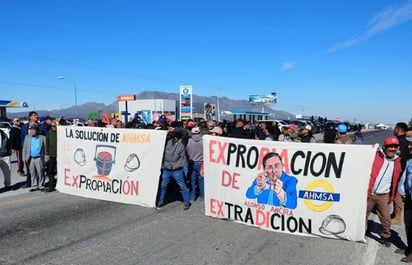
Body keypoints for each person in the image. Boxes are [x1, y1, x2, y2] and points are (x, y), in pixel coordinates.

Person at [366, 136, 403, 247]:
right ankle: (361, 232)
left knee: (386, 219)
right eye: (389, 147)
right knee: (363, 215)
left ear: (398, 148)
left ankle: (384, 236)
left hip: (384, 195)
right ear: (384, 147)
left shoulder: (399, 161)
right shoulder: (375, 156)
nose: (392, 149)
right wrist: (370, 148)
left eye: (395, 147)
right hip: (370, 193)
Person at [157, 127, 191, 210]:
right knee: (163, 186)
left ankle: (186, 202)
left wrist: (174, 129)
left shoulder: (182, 142)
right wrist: (167, 131)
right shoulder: (168, 142)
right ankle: (161, 201)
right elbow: (159, 136)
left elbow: (185, 132)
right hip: (167, 168)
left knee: (182, 186)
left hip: (177, 169)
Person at [396, 135, 412, 262]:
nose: (409, 146)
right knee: (408, 223)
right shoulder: (410, 160)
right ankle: (409, 248)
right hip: (408, 196)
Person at [392, 122, 411, 224]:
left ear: (398, 129)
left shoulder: (399, 142)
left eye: (395, 128)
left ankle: (397, 216)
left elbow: (402, 159)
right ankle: (395, 213)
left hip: (400, 172)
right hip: (404, 172)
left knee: (397, 194)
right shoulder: (406, 142)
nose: (394, 130)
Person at [22, 124, 46, 192]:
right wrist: (24, 158)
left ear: (37, 131)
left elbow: (46, 149)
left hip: (39, 158)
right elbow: (24, 148)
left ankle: (41, 185)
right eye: (30, 130)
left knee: (41, 172)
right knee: (32, 173)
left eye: (33, 130)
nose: (31, 131)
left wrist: (46, 158)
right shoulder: (27, 137)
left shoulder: (42, 138)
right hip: (30, 158)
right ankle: (34, 186)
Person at [21, 111, 39, 187]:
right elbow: (22, 138)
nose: (36, 117)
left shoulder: (40, 126)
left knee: (37, 167)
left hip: (37, 148)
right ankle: (28, 183)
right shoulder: (25, 126)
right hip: (28, 149)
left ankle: (38, 183)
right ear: (30, 117)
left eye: (37, 115)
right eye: (35, 115)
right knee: (28, 167)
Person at [186, 127, 204, 201]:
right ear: (199, 132)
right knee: (201, 180)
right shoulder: (203, 141)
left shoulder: (188, 141)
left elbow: (186, 151)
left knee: (192, 180)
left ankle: (193, 196)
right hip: (201, 163)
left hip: (192, 162)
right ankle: (202, 196)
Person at [45, 121, 58, 192]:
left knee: (60, 171)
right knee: (50, 171)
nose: (53, 127)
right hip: (52, 155)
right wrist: (47, 153)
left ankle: (59, 185)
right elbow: (47, 143)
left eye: (54, 126)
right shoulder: (49, 133)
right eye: (52, 126)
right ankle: (51, 186)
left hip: (59, 155)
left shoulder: (60, 133)